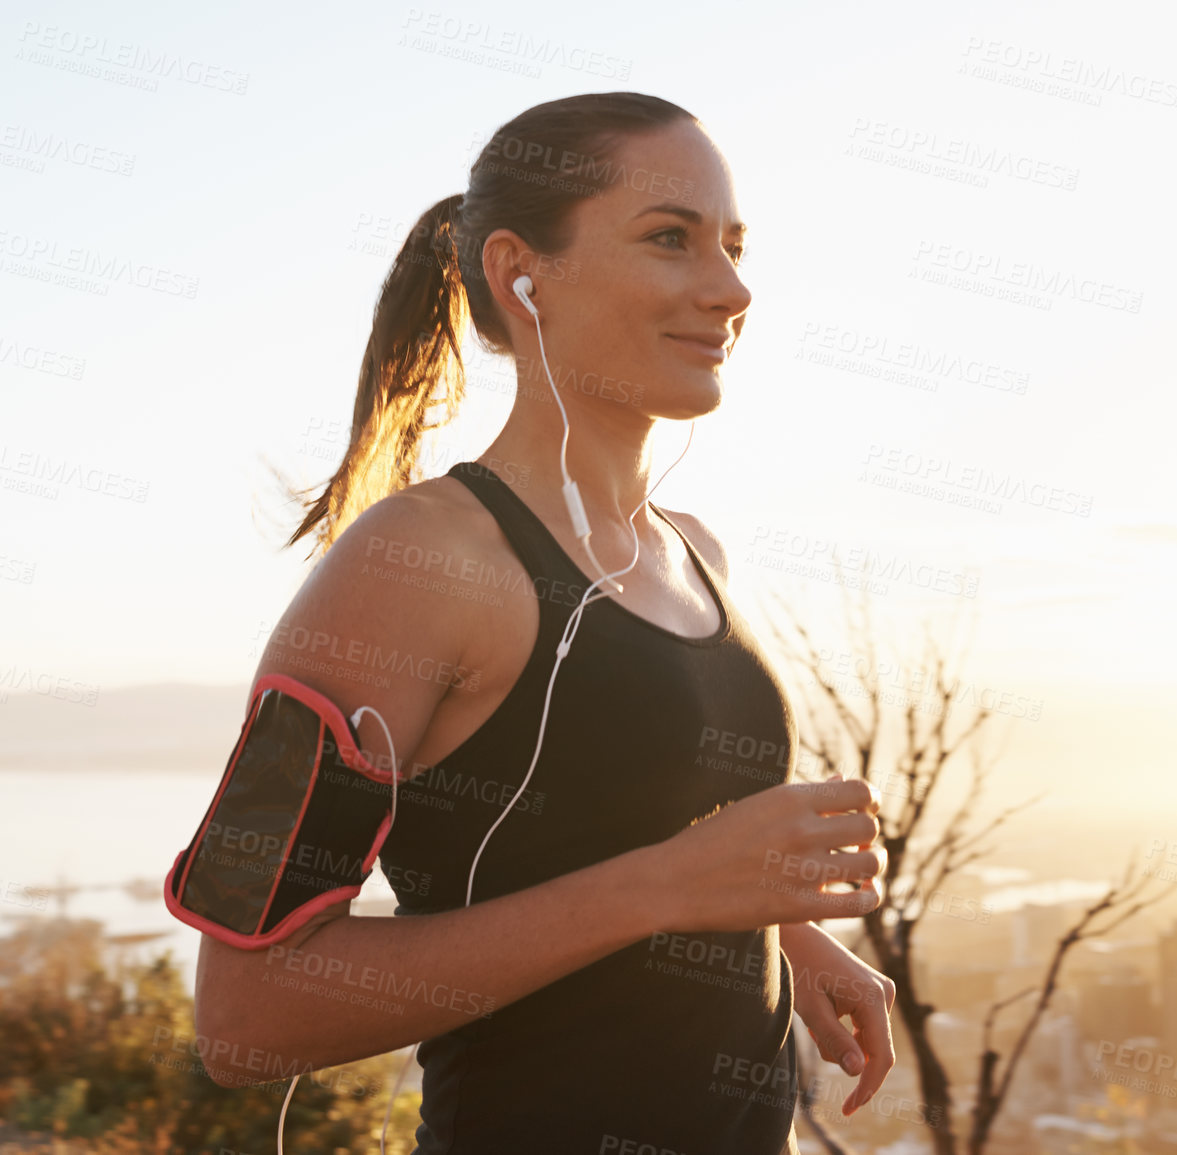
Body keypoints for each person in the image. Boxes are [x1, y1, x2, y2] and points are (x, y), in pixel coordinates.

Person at [190, 92, 893, 1153]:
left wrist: (787, 934)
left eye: (735, 247)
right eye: (671, 239)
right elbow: (247, 1018)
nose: (731, 289)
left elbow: (625, 830)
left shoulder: (695, 548)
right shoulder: (415, 563)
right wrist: (665, 891)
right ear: (525, 273)